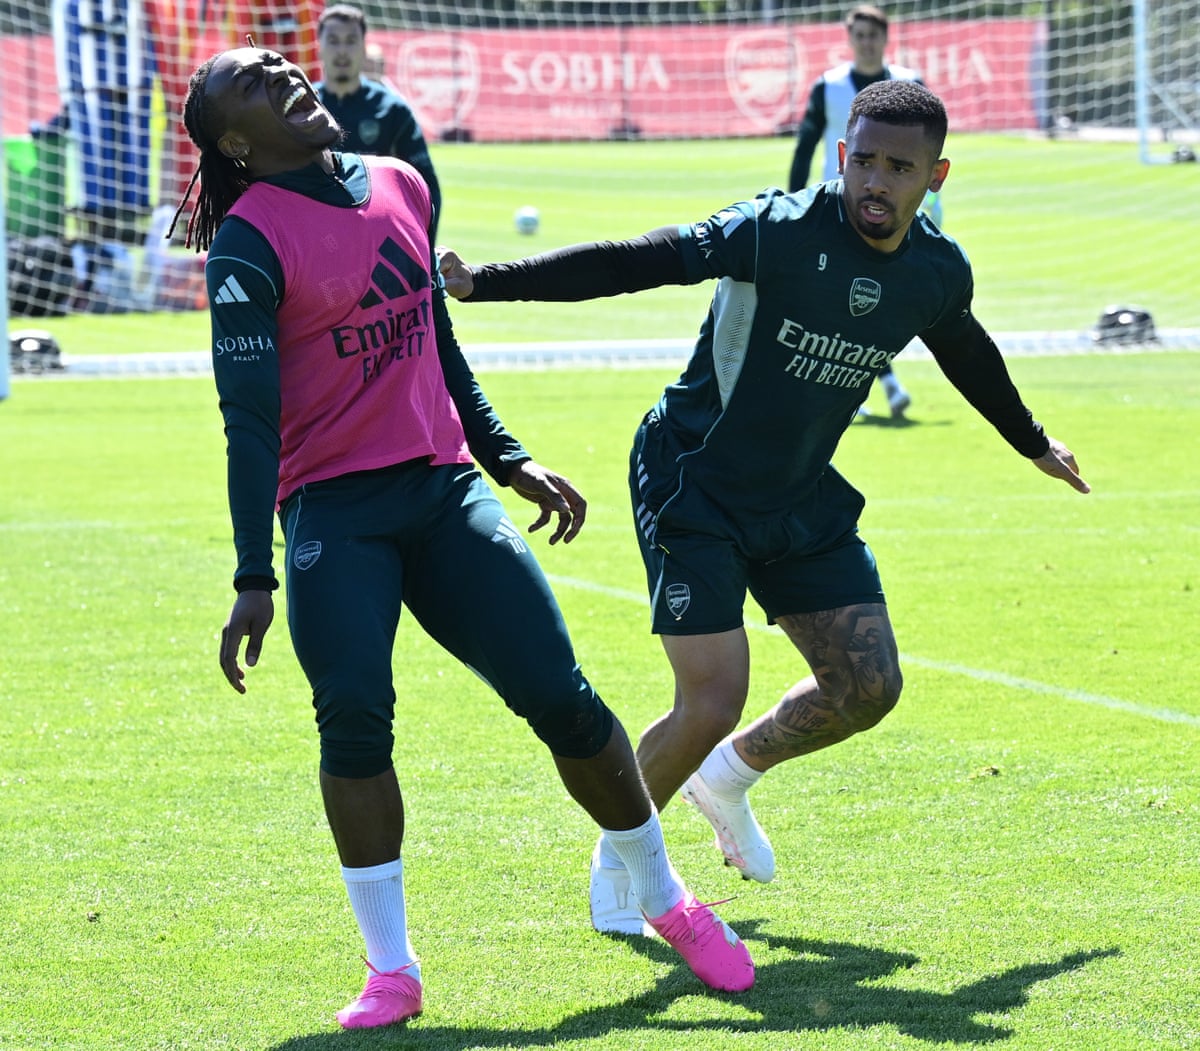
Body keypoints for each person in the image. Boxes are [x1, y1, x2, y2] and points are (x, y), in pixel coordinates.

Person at [174, 45, 755, 1031]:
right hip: (333, 514)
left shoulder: (400, 182)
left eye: (283, 63)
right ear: (236, 142)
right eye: (258, 86)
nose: (288, 75)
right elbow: (250, 424)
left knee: (563, 699)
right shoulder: (248, 245)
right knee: (353, 719)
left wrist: (505, 455)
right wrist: (250, 572)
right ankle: (391, 968)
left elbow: (435, 336)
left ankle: (665, 898)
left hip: (444, 494)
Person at [439, 79, 1090, 936]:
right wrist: (488, 282)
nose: (875, 181)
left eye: (900, 167)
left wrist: (1031, 440)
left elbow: (964, 345)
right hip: (694, 480)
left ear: (936, 176)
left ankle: (729, 775)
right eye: (863, 159)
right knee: (711, 692)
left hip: (799, 494)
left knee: (868, 686)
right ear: (842, 153)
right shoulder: (774, 230)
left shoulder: (935, 268)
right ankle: (623, 858)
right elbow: (638, 260)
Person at [789, 4, 933, 419]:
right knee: (846, 293)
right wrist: (795, 205)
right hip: (837, 208)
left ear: (886, 39)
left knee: (879, 297)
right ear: (850, 40)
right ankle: (882, 384)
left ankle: (868, 384)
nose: (867, 43)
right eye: (860, 36)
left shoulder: (909, 85)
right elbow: (804, 147)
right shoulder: (828, 87)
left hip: (895, 212)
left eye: (874, 35)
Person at [314, 4, 443, 242]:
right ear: (319, 47)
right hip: (318, 242)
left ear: (364, 48)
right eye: (333, 40)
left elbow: (426, 187)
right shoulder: (303, 109)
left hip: (379, 241)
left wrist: (424, 252)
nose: (342, 50)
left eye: (351, 40)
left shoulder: (392, 110)